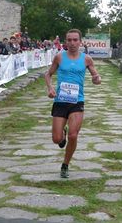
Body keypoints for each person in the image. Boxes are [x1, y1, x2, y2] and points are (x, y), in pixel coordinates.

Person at [45, 28, 101, 178]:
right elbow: (48, 74)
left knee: (74, 135)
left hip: (77, 101)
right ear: (65, 42)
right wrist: (50, 88)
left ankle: (65, 164)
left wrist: (97, 79)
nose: (72, 43)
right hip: (60, 101)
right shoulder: (59, 57)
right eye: (69, 40)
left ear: (80, 42)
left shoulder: (86, 59)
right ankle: (61, 134)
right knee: (56, 139)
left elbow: (96, 77)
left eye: (75, 40)